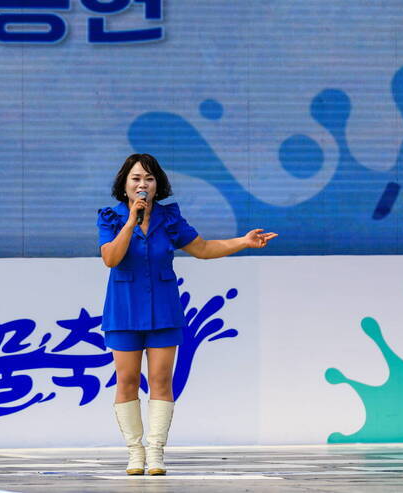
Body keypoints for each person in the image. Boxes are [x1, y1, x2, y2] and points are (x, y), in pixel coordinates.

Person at [97, 153, 277, 476]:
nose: (142, 185)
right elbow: (111, 258)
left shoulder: (169, 218)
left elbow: (204, 248)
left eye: (149, 179)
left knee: (161, 380)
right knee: (125, 380)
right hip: (124, 309)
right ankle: (134, 451)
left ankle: (155, 451)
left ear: (158, 185)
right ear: (125, 185)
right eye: (136, 179)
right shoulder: (111, 217)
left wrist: (244, 242)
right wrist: (130, 222)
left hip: (164, 309)